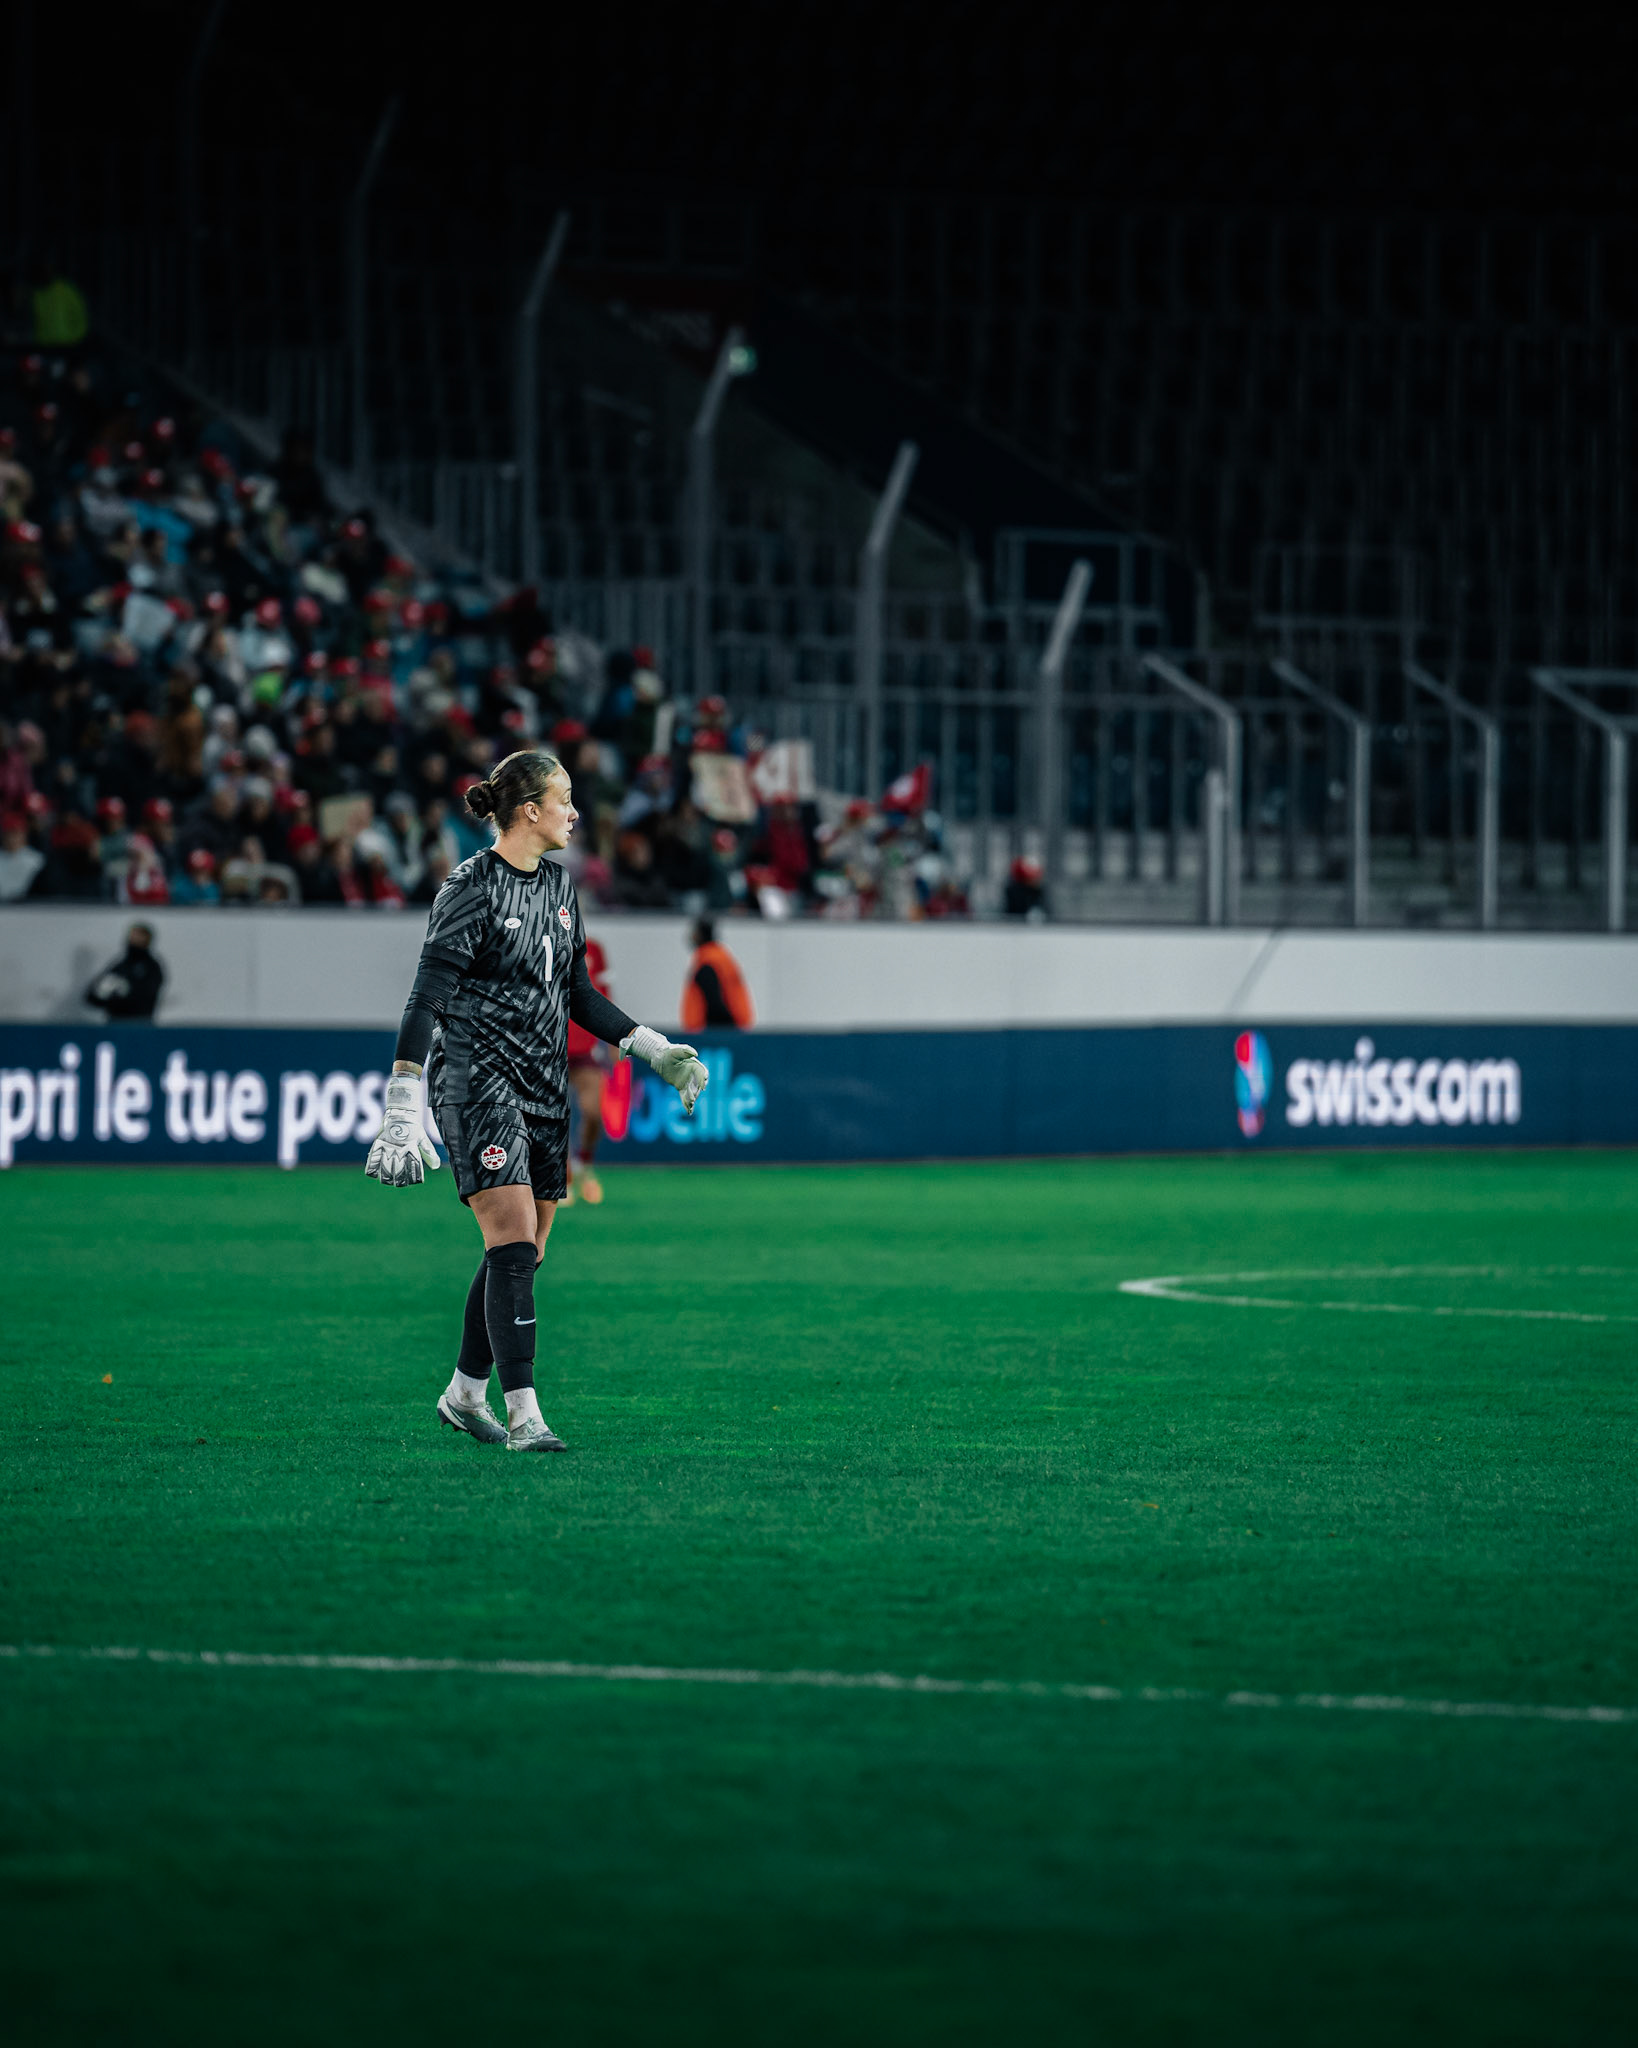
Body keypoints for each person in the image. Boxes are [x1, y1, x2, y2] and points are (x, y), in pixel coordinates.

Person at [365, 749, 709, 1454]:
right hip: (475, 1078)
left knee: (523, 1251)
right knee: (514, 1243)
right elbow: (425, 998)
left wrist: (652, 1049)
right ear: (529, 811)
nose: (576, 813)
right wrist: (404, 1098)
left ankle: (464, 1395)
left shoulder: (558, 886)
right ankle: (526, 1415)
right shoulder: (469, 887)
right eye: (566, 799)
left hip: (543, 1083)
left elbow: (575, 993)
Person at [563, 934, 614, 1206]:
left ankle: (584, 1164)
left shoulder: (594, 948)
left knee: (594, 1112)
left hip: (586, 1047)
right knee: (556, 1119)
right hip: (552, 1045)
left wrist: (615, 1038)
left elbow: (603, 994)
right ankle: (564, 1177)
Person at [682, 917, 754, 1030]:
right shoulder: (722, 958)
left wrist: (717, 1035)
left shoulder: (707, 963)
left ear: (700, 935)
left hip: (714, 1034)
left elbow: (714, 1004)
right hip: (737, 1026)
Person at [86, 923, 165, 1020]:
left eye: (137, 936)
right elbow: (93, 996)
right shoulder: (120, 965)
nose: (131, 939)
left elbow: (147, 996)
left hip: (141, 1024)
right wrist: (102, 993)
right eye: (131, 936)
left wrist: (126, 991)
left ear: (146, 939)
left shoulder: (152, 966)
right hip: (115, 1023)